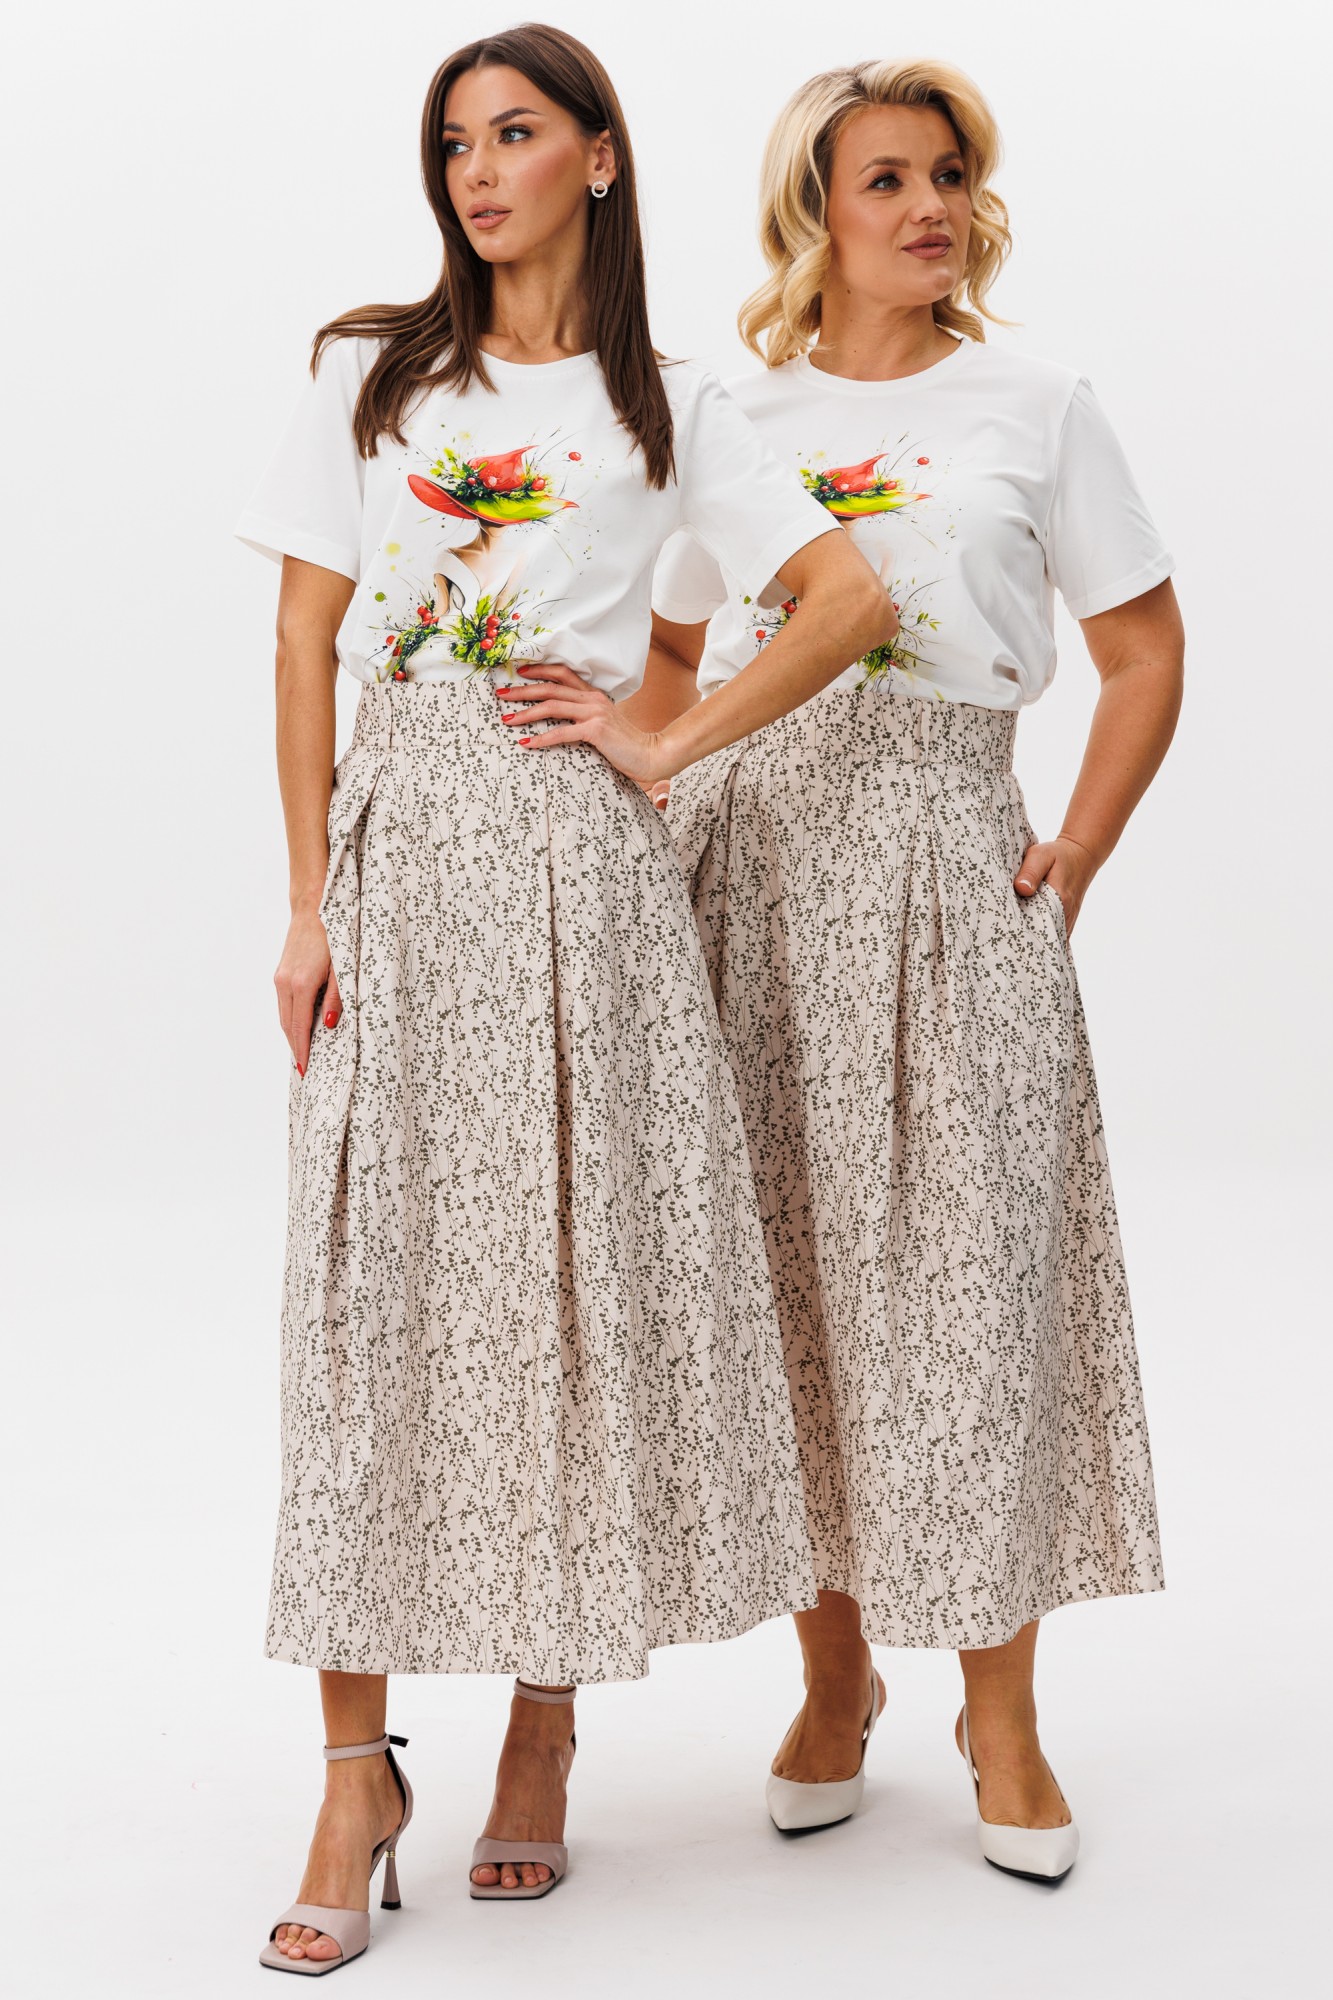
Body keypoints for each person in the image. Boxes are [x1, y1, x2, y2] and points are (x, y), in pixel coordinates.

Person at [234, 24, 894, 1972]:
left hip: (579, 883)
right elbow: (302, 637)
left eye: (514, 133)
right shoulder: (371, 373)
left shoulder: (674, 407)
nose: (476, 170)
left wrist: (658, 742)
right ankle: (351, 1772)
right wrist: (306, 904)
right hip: (398, 864)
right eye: (453, 141)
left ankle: (541, 1723)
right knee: (364, 1307)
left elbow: (846, 601)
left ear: (597, 159)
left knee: (561, 1295)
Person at [636, 58, 1183, 1883]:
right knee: (786, 1290)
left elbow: (1144, 651)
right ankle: (834, 1679)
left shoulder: (1036, 402)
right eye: (884, 179)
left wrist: (1073, 851)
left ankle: (998, 1713)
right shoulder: (726, 411)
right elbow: (670, 657)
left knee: (966, 1293)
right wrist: (633, 775)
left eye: (947, 174)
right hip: (750, 874)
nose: (930, 207)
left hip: (950, 864)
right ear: (813, 210)